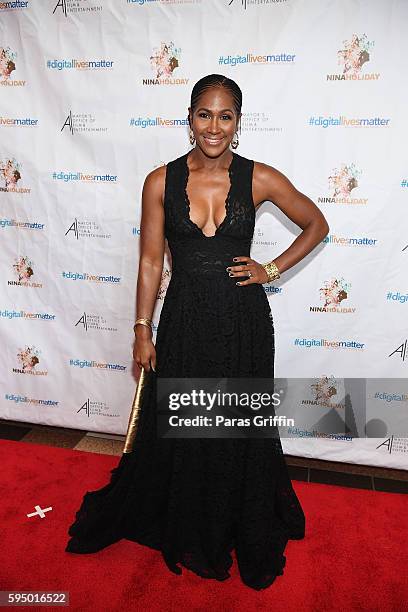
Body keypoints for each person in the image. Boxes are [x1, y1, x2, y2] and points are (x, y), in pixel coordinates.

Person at [66, 74, 329, 591]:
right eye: (205, 115)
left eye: (225, 115)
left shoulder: (259, 178)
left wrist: (269, 269)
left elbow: (316, 224)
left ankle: (235, 512)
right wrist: (142, 329)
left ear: (238, 121)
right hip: (184, 320)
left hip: (243, 324)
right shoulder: (160, 181)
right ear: (190, 119)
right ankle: (188, 513)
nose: (215, 126)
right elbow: (148, 262)